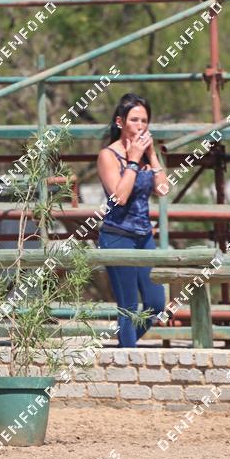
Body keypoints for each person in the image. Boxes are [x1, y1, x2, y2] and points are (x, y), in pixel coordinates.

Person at [96, 93, 170, 347]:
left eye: (144, 121)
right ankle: (128, 355)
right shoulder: (108, 155)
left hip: (144, 236)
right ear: (120, 122)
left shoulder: (146, 156)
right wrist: (134, 160)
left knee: (155, 304)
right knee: (128, 306)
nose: (140, 126)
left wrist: (152, 156)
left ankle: (124, 347)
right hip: (117, 236)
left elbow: (163, 191)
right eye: (134, 120)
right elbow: (120, 197)